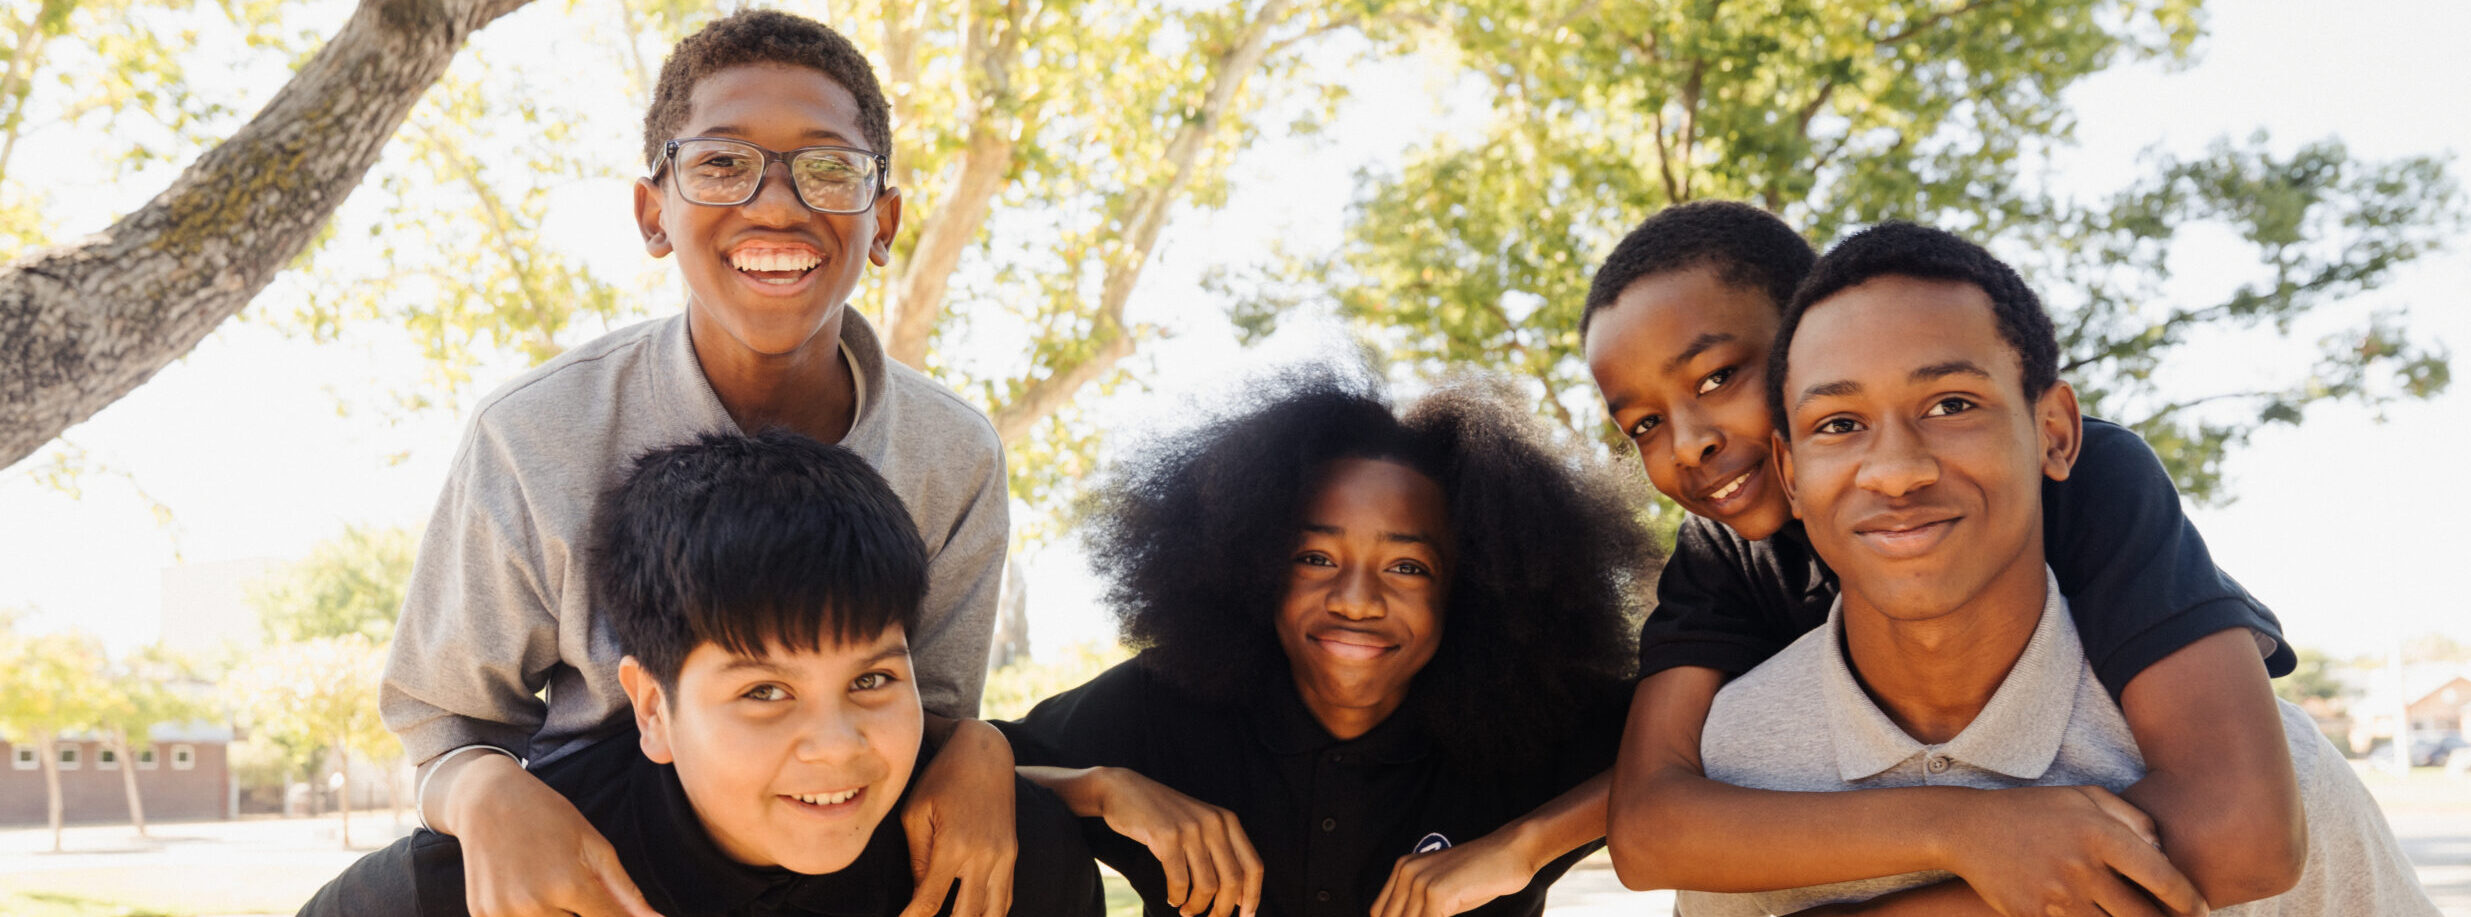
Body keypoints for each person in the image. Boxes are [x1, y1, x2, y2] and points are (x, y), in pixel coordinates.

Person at [377, 11, 1018, 917]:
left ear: (882, 222)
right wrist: (483, 791)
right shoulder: (532, 436)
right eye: (721, 163)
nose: (777, 204)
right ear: (654, 215)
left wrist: (981, 747)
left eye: (828, 168)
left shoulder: (952, 454)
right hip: (600, 870)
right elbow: (444, 721)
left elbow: (928, 718)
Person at [1676, 221, 2433, 916]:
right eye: (1838, 424)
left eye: (1951, 405)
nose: (1896, 470)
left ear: (2056, 433)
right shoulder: (1738, 768)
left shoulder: (2274, 775)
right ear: (1791, 474)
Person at [307, 433, 1101, 917]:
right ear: (653, 708)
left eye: (870, 682)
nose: (836, 744)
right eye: (765, 691)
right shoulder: (481, 886)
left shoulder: (1015, 862)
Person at [996, 371, 1654, 917]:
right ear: (1255, 565)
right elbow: (966, 772)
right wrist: (1105, 790)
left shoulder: (1525, 718)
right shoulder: (1165, 705)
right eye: (1315, 557)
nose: (1355, 600)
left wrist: (1522, 847)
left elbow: (1691, 755)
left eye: (1407, 567)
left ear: (1472, 586)